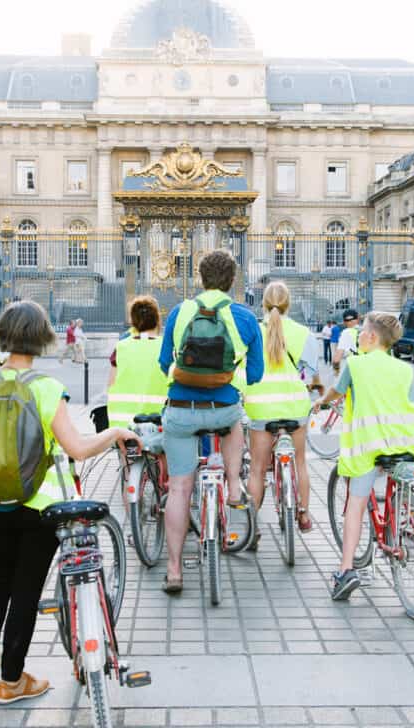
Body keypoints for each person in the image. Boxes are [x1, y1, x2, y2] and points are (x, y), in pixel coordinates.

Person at [0, 301, 139, 704]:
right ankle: (12, 680)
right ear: (42, 339)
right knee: (26, 590)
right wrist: (114, 434)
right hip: (41, 505)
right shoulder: (46, 388)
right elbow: (76, 448)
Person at [313, 311, 414, 600]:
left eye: (362, 331)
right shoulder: (403, 369)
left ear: (371, 337)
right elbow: (412, 405)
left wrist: (322, 402)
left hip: (368, 447)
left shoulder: (356, 364)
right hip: (405, 443)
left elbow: (336, 392)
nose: (359, 335)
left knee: (356, 506)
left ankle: (346, 569)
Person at [158, 249, 264, 594]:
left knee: (178, 488)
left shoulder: (179, 311)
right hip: (223, 406)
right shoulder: (245, 317)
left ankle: (174, 570)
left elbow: (163, 364)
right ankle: (233, 485)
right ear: (233, 280)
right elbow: (258, 374)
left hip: (181, 407)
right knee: (234, 421)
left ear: (199, 278)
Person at [244, 281, 319, 541]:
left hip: (261, 407)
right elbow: (309, 375)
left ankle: (251, 528)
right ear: (289, 304)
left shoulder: (252, 332)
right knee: (300, 463)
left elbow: (243, 372)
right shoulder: (303, 333)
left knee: (256, 469)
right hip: (295, 407)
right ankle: (305, 513)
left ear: (262, 304)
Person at [107, 296, 167, 429]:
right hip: (158, 422)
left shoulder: (121, 347)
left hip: (122, 425)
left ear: (133, 322)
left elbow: (111, 384)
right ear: (158, 320)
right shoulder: (166, 347)